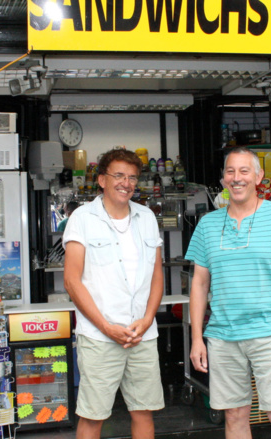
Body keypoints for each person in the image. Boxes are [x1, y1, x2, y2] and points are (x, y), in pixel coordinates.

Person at [185, 146, 271, 439]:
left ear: (258, 176)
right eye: (230, 171)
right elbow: (199, 284)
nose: (236, 178)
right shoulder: (208, 224)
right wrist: (196, 339)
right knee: (234, 415)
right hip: (223, 336)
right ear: (223, 178)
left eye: (244, 171)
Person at [63, 148, 164, 439]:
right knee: (93, 416)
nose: (126, 183)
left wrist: (147, 319)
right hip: (99, 336)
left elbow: (157, 276)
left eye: (132, 177)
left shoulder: (146, 217)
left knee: (144, 411)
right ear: (102, 180)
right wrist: (106, 327)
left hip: (142, 334)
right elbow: (72, 281)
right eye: (118, 175)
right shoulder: (83, 218)